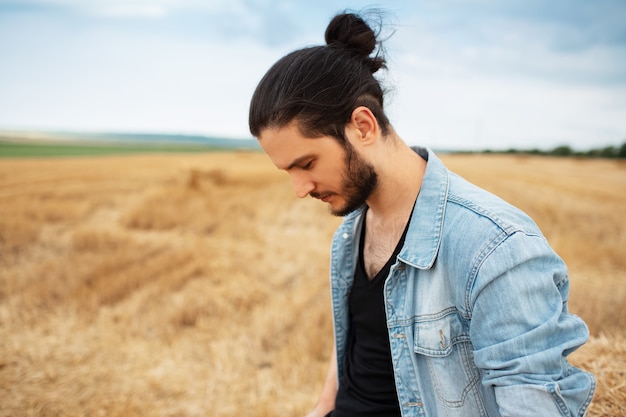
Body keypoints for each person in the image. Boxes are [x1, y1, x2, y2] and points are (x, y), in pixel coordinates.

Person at [248, 11, 596, 417]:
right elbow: (361, 337)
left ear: (363, 126)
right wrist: (323, 407)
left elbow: (534, 405)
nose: (299, 189)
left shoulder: (494, 248)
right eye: (287, 171)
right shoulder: (352, 230)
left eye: (306, 164)